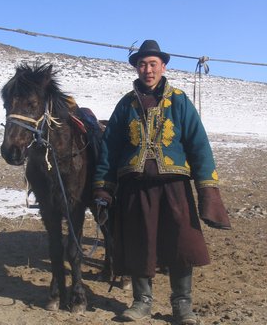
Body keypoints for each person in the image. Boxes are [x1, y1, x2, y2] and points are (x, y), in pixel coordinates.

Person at [93, 40, 231, 324]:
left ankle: (182, 306)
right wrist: (103, 187)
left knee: (180, 243)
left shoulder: (179, 101)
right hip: (135, 189)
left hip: (174, 188)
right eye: (142, 64)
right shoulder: (125, 104)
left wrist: (208, 190)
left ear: (163, 66)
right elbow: (109, 148)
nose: (147, 69)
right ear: (136, 68)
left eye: (153, 64)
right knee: (139, 243)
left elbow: (199, 145)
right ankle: (141, 302)